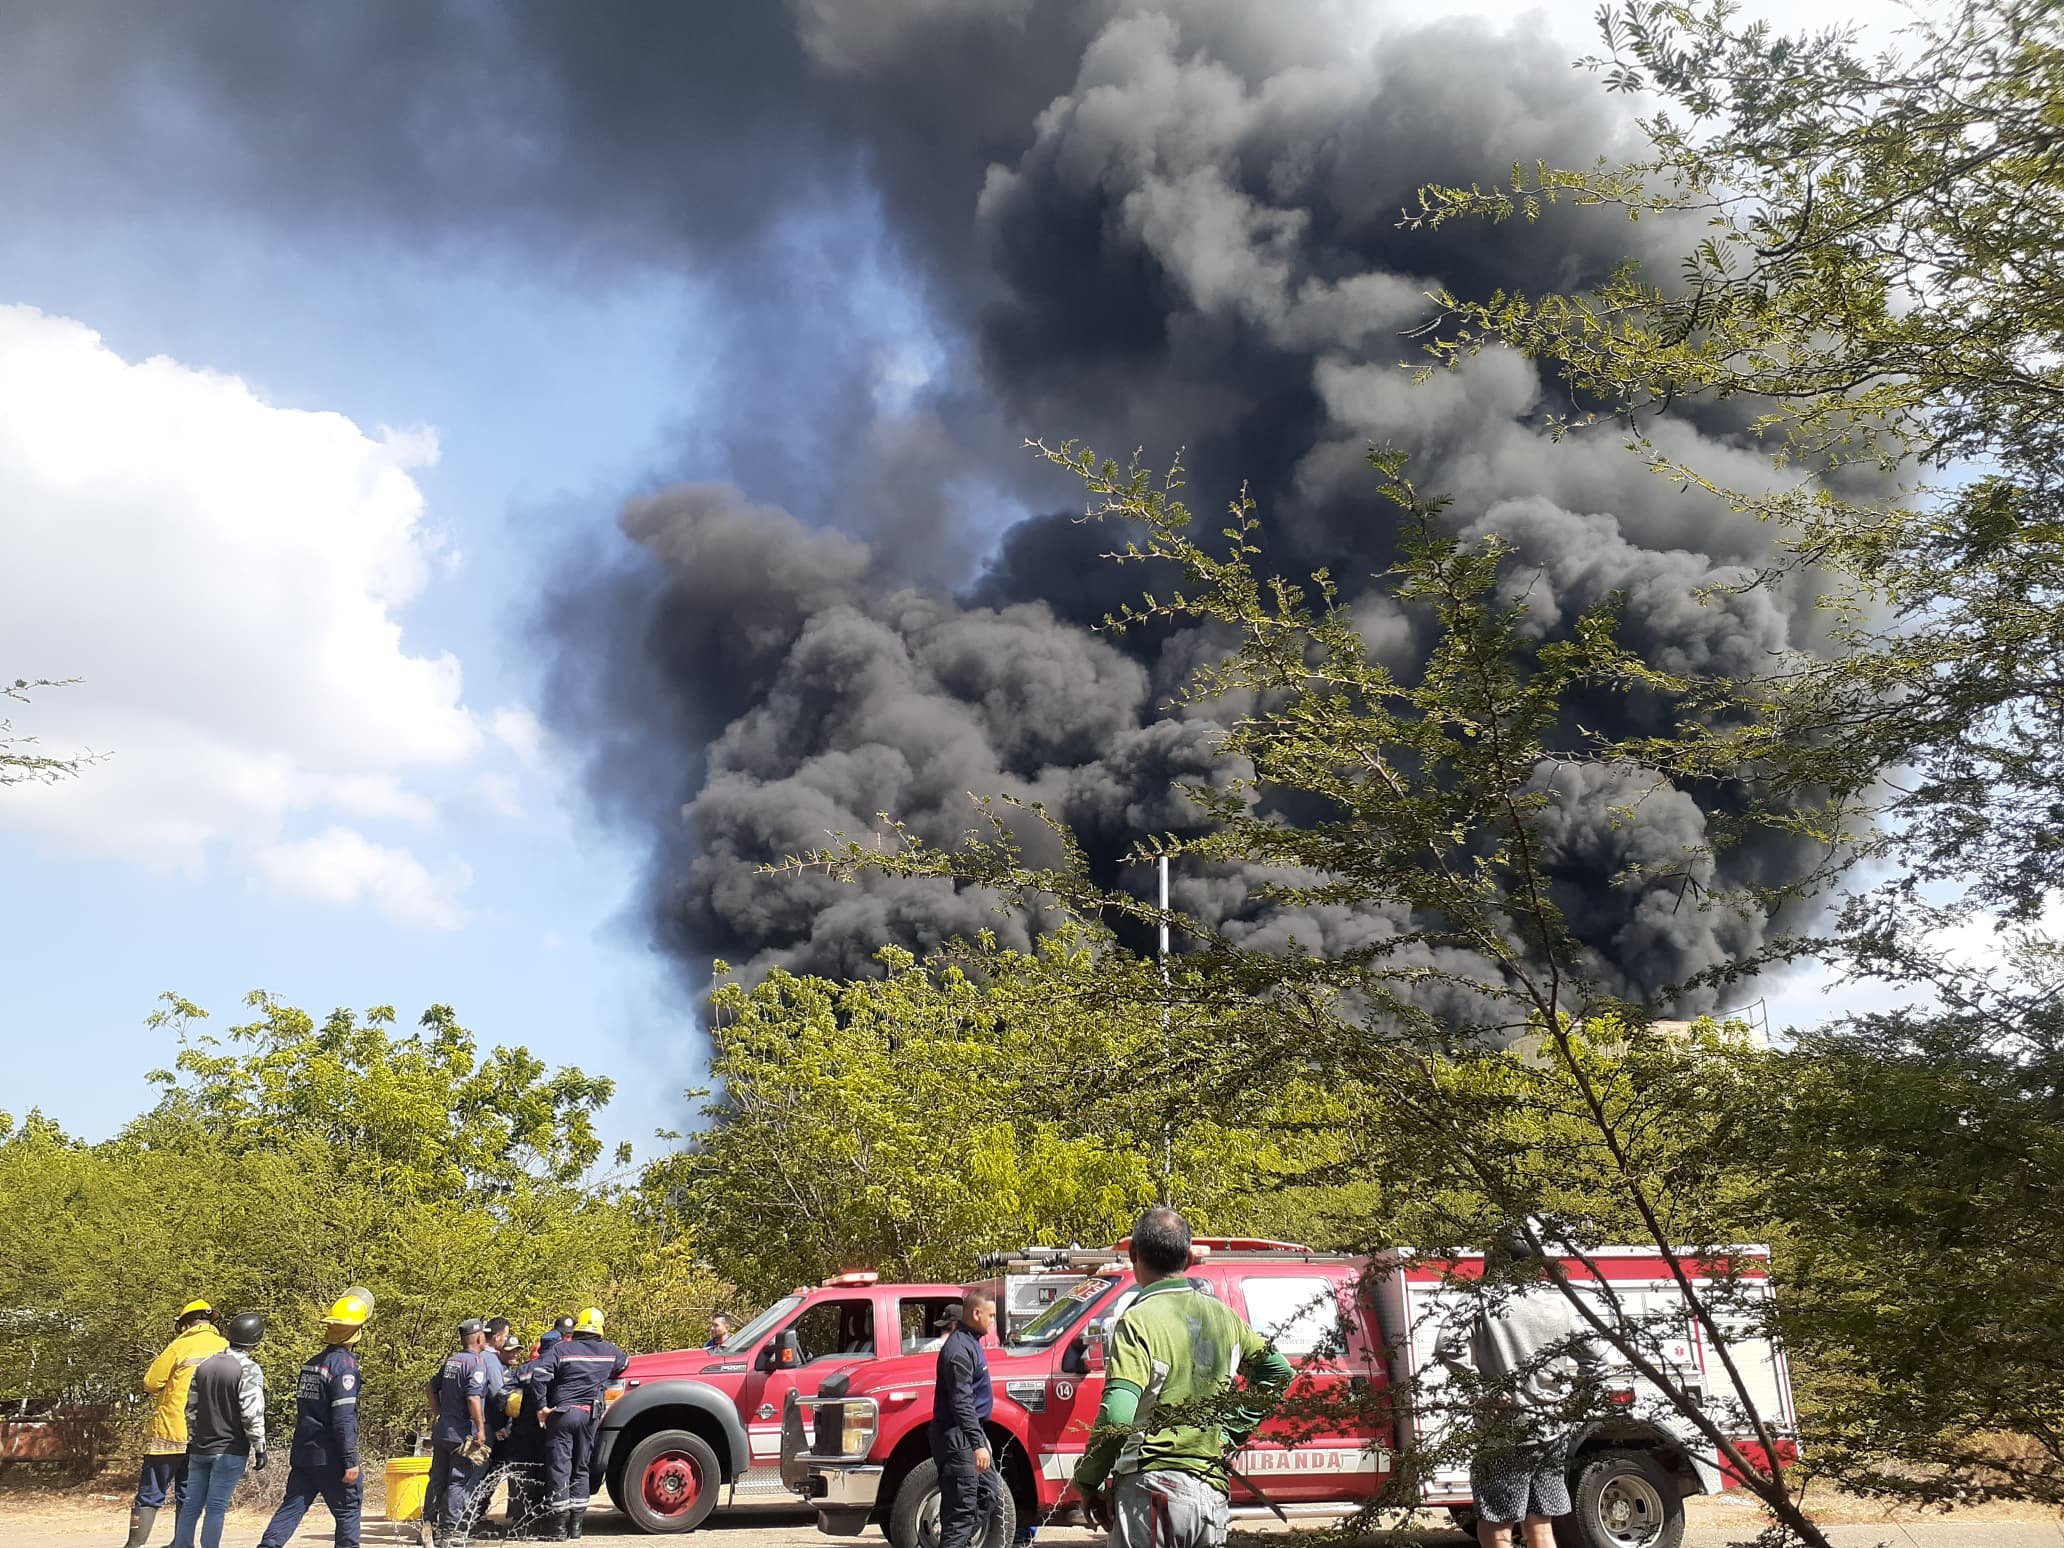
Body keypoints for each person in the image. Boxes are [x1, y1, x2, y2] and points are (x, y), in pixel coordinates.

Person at [1071, 1208, 1294, 1548]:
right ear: (1189, 1257)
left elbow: (1117, 1417)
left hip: (1150, 1490)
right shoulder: (1224, 1317)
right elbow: (1278, 1373)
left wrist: (1088, 1482)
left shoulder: (1137, 1322)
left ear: (1134, 1255)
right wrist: (1230, 1432)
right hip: (1209, 1493)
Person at [1437, 1236, 1602, 1548]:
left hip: (1503, 1431)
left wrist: (1482, 1389)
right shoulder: (1556, 1305)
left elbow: (1447, 1347)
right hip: (1552, 1427)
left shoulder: (1481, 1300)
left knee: (1497, 1525)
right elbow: (1596, 1360)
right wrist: (1571, 1402)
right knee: (1541, 1525)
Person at [255, 1287, 373, 1548]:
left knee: (293, 1507)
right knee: (348, 1512)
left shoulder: (312, 1363)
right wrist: (350, 1461)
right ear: (357, 1330)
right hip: (331, 1457)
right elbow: (343, 1418)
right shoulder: (345, 1368)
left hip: (305, 1453)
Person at [126, 1299, 229, 1547]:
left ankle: (134, 1545)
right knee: (189, 1493)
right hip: (208, 1435)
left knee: (151, 1493)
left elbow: (151, 1383)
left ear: (185, 1324)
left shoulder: (179, 1346)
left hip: (171, 1432)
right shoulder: (226, 1347)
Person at [524, 1306, 628, 1541]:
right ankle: (576, 1527)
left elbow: (538, 1376)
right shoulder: (610, 1351)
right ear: (600, 1329)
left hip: (562, 1415)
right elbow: (623, 1364)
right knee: (581, 1469)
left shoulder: (562, 1349)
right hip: (589, 1416)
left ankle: (558, 1529)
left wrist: (541, 1407)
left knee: (560, 1469)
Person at [171, 1312, 266, 1548]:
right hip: (230, 1450)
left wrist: (194, 1438)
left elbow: (190, 1408)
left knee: (192, 1504)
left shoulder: (205, 1365)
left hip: (200, 1448)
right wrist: (259, 1445)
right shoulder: (248, 1368)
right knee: (216, 1507)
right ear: (256, 1339)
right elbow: (251, 1412)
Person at [930, 1288, 998, 1548]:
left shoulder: (971, 1342)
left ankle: (962, 1542)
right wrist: (976, 1443)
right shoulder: (958, 1349)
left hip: (971, 1433)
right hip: (957, 1438)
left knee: (988, 1493)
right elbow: (961, 1402)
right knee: (960, 1511)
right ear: (976, 1313)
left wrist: (981, 1438)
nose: (993, 1322)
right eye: (990, 1316)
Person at [426, 1319, 504, 1545]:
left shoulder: (452, 1360)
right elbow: (473, 1398)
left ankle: (427, 1527)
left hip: (442, 1431)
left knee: (437, 1479)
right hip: (461, 1434)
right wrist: (480, 1428)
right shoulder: (476, 1363)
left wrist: (439, 1413)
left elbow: (431, 1388)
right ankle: (449, 1533)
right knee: (457, 1481)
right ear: (479, 1338)